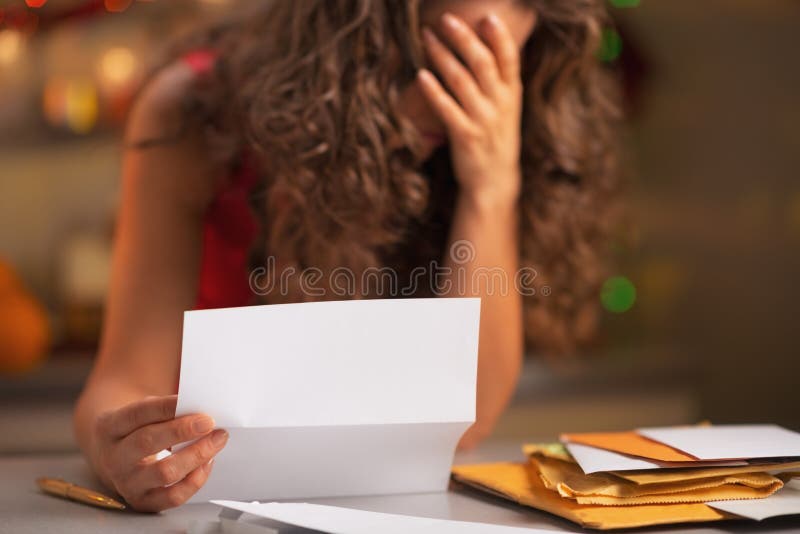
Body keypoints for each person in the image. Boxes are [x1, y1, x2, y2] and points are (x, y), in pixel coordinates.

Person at [74, 0, 620, 512]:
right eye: (446, 61)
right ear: (349, 38)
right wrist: (119, 453)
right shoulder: (192, 116)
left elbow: (467, 423)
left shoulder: (476, 141)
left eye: (499, 70)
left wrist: (491, 187)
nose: (465, 107)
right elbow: (122, 383)